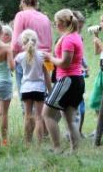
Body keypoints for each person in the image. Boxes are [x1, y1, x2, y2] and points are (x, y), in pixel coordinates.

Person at [43, 9, 85, 154]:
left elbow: (65, 63)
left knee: (47, 114)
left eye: (56, 23)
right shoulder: (74, 36)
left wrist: (50, 58)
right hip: (75, 80)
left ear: (62, 22)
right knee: (69, 119)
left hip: (67, 80)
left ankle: (57, 148)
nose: (55, 25)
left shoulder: (68, 39)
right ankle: (75, 152)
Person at [12, 0, 52, 105]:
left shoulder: (21, 15)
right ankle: (43, 121)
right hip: (45, 58)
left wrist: (13, 61)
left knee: (27, 102)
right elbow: (50, 41)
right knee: (43, 98)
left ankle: (30, 121)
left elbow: (15, 43)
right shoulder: (45, 18)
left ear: (23, 3)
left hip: (27, 59)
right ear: (36, 3)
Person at [15, 29, 52, 144]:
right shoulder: (43, 56)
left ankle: (27, 142)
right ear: (36, 41)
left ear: (23, 42)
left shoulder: (19, 57)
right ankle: (39, 143)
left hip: (26, 88)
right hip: (39, 89)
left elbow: (12, 66)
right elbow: (47, 74)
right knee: (39, 117)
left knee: (27, 116)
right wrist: (50, 90)